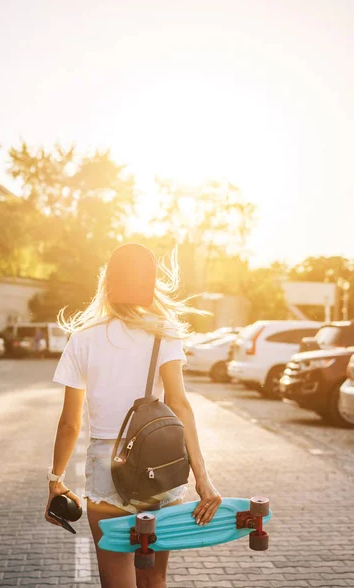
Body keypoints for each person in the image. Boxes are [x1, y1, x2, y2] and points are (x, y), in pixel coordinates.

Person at [44, 243, 222, 588]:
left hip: (107, 469)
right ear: (151, 283)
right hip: (159, 467)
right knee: (154, 577)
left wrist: (55, 480)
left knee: (116, 581)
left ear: (107, 283)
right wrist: (202, 478)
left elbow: (70, 423)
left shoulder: (83, 338)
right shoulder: (163, 331)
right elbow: (180, 405)